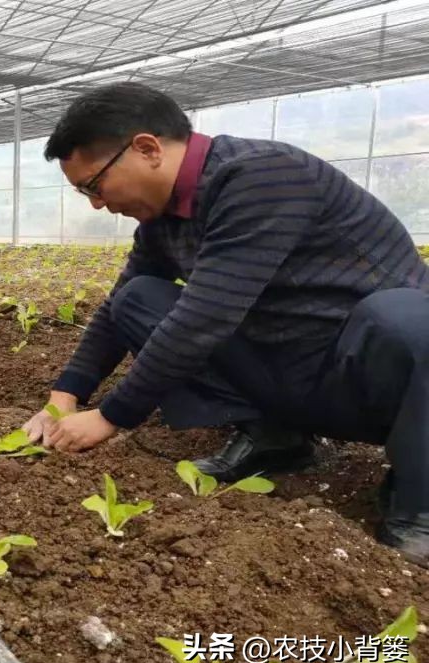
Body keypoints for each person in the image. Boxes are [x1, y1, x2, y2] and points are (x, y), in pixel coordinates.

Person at [23, 82, 429, 565]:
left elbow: (202, 317)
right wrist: (65, 395)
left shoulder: (263, 177)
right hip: (287, 371)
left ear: (147, 148)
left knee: (406, 318)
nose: (96, 203)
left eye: (94, 185)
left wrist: (111, 417)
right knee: (138, 299)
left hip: (363, 380)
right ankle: (274, 438)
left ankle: (419, 502)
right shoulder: (164, 220)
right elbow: (116, 311)